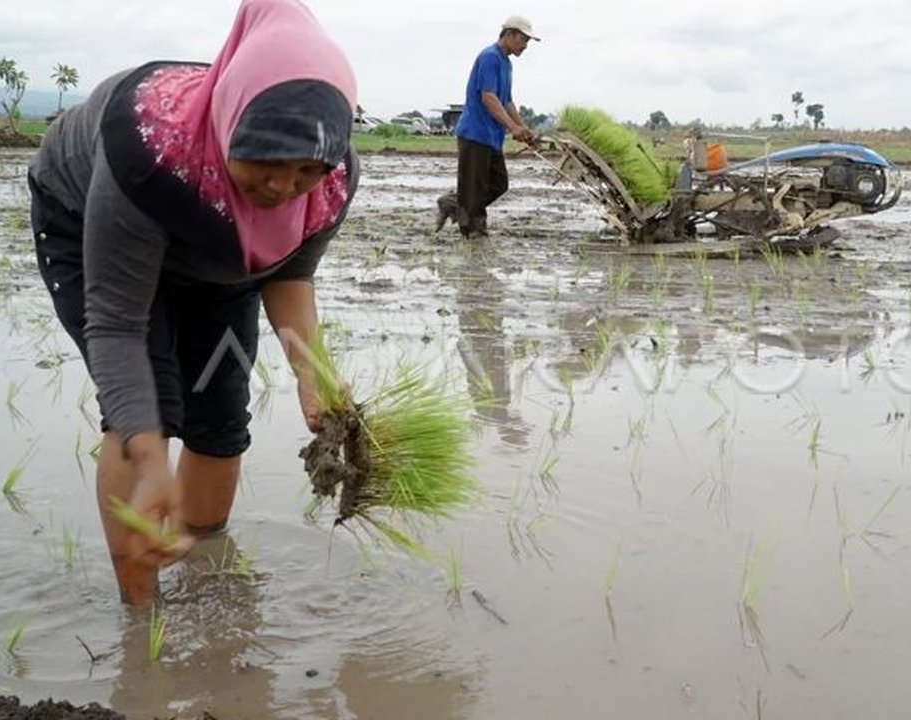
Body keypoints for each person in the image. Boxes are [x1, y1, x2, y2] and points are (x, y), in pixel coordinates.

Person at [27, 0, 358, 606]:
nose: (284, 187)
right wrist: (150, 457)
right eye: (267, 162)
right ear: (230, 124)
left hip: (218, 249)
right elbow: (119, 325)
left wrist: (315, 376)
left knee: (221, 409)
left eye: (307, 168)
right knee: (146, 403)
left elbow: (290, 276)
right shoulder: (150, 148)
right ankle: (142, 613)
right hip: (93, 220)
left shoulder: (332, 182)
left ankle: (207, 581)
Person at [434, 15, 539, 239]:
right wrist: (512, 128)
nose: (525, 46)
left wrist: (523, 127)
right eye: (523, 40)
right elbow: (489, 98)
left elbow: (506, 100)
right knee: (475, 187)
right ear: (510, 34)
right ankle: (475, 232)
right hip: (475, 133)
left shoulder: (506, 63)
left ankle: (451, 203)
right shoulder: (490, 57)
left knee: (499, 184)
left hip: (492, 136)